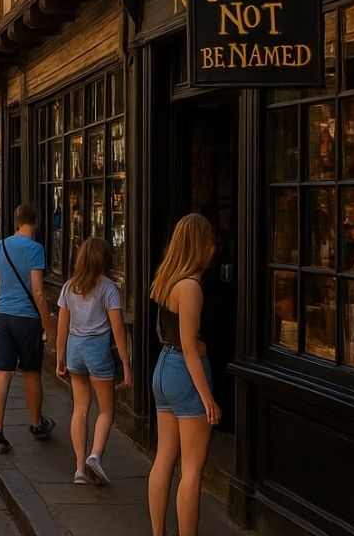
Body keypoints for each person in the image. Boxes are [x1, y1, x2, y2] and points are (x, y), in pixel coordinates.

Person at [147, 214, 219, 536]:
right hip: (184, 373)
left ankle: (158, 532)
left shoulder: (166, 277)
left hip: (163, 367)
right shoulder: (190, 286)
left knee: (164, 458)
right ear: (201, 244)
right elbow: (190, 348)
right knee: (191, 470)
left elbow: (166, 332)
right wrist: (208, 399)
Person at [55, 237, 131, 485]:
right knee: (106, 410)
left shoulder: (69, 287)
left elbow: (62, 327)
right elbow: (118, 329)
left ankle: (78, 469)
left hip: (75, 350)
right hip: (98, 350)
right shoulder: (109, 288)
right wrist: (126, 363)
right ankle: (95, 456)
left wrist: (60, 357)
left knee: (80, 408)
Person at [0, 203, 56, 453]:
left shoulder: (1, 245)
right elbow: (38, 290)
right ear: (35, 223)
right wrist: (47, 322)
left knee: (2, 372)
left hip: (4, 316)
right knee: (31, 372)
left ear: (17, 221)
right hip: (27, 318)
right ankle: (36, 423)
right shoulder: (36, 249)